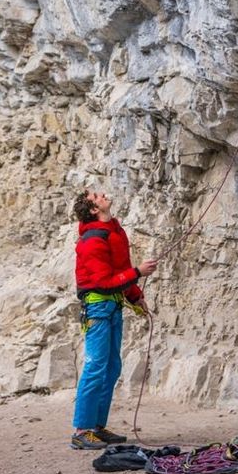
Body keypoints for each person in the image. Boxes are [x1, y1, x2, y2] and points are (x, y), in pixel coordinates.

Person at [70, 185, 157, 450]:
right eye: (96, 197)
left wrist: (135, 296)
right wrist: (138, 273)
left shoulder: (114, 232)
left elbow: (118, 270)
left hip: (112, 305)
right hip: (98, 308)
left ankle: (96, 427)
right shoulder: (93, 241)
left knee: (111, 367)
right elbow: (103, 281)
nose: (102, 194)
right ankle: (82, 430)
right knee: (96, 365)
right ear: (95, 209)